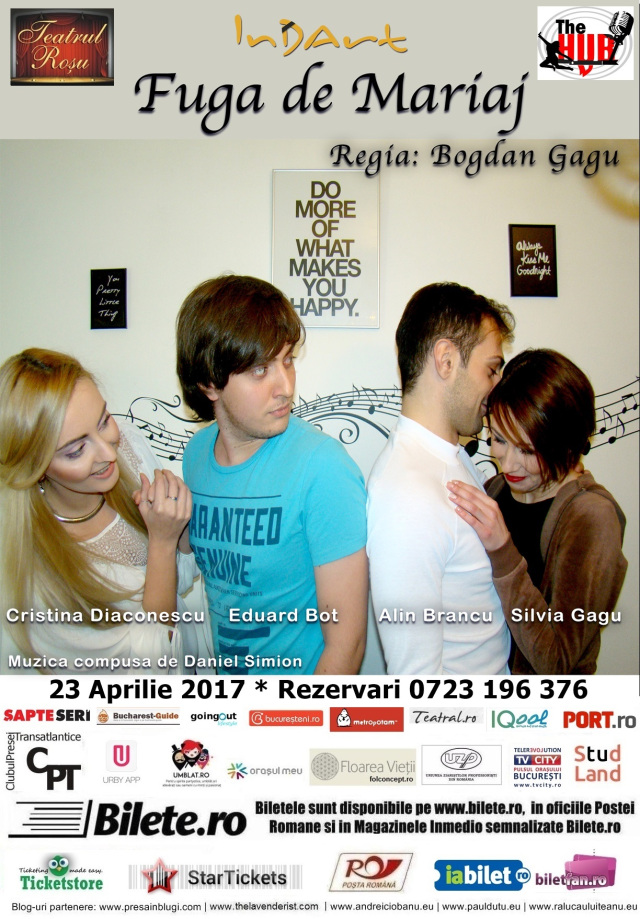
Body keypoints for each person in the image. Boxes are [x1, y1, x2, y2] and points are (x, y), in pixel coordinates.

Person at [176, 274, 368, 676]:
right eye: (261, 369)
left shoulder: (323, 467)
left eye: (288, 360)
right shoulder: (195, 456)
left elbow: (346, 646)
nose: (285, 387)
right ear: (209, 383)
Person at [0, 348, 212, 675]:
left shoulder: (128, 445)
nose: (108, 453)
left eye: (104, 421)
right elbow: (147, 671)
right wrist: (161, 543)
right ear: (35, 467)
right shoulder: (35, 583)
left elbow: (179, 581)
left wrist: (178, 529)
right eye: (76, 450)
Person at [446, 348, 627, 675]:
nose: (508, 464)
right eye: (499, 439)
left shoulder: (592, 517)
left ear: (566, 445)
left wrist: (503, 553)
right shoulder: (497, 489)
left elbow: (556, 662)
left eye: (527, 450)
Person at [367, 282, 515, 674]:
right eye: (491, 370)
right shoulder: (408, 495)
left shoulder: (446, 457)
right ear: (446, 360)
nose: (497, 387)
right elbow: (416, 681)